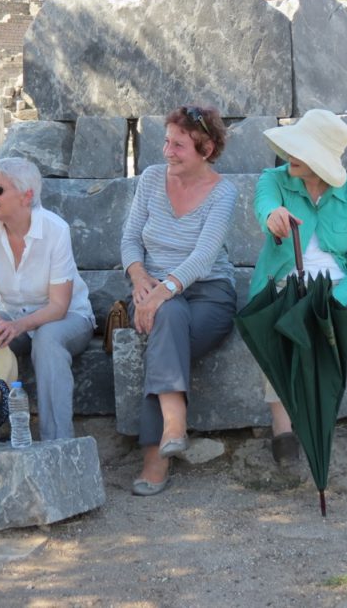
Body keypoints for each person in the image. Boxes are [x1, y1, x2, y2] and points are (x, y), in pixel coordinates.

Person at [250, 109, 347, 471]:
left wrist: (334, 302)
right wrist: (274, 217)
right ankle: (282, 425)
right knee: (276, 325)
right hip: (285, 284)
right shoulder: (274, 180)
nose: (290, 156)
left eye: (300, 150)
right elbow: (265, 206)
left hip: (341, 287)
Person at [120, 104, 238, 496]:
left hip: (209, 294)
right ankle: (173, 424)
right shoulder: (152, 179)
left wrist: (160, 293)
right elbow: (130, 238)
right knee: (167, 317)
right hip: (154, 285)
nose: (167, 151)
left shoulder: (223, 191)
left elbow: (204, 257)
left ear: (206, 149)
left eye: (179, 145)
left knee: (164, 324)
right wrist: (139, 278)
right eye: (166, 142)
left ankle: (156, 456)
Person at [0, 157, 94, 441]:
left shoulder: (55, 229)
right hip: (11, 316)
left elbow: (59, 305)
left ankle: (58, 442)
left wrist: (17, 326)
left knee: (48, 339)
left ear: (27, 196)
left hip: (67, 318)